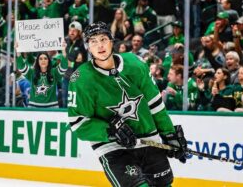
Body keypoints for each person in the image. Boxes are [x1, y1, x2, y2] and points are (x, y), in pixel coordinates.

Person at [67, 21, 188, 187]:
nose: (99, 45)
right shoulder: (81, 79)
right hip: (114, 147)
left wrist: (169, 134)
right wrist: (110, 131)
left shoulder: (135, 64)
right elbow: (78, 124)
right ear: (87, 47)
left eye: (103, 39)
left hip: (149, 138)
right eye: (93, 41)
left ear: (111, 41)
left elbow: (155, 104)